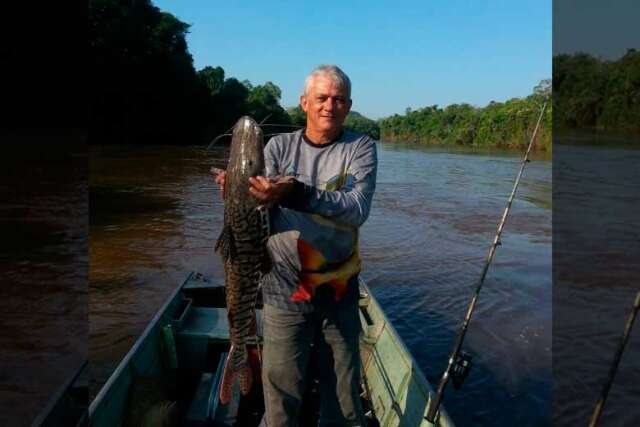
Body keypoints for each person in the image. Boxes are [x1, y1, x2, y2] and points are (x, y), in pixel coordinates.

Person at [215, 64, 377, 426]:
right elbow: (259, 211)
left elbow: (357, 209)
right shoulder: (277, 146)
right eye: (321, 98)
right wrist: (239, 194)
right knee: (281, 392)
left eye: (338, 99)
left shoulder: (360, 148)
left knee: (344, 396)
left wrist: (296, 192)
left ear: (348, 106)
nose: (329, 106)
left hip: (338, 288)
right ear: (304, 103)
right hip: (282, 290)